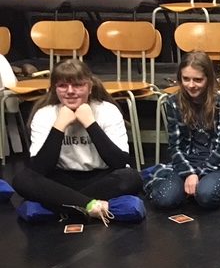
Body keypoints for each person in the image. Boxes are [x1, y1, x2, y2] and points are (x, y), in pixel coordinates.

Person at [12, 58, 143, 224]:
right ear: (54, 89)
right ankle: (90, 206)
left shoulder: (107, 111)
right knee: (22, 179)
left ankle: (63, 208)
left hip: (99, 178)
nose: (70, 91)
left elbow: (119, 162)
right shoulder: (44, 114)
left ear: (89, 87)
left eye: (78, 85)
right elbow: (40, 168)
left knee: (131, 177)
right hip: (61, 180)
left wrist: (90, 124)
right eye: (62, 86)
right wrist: (59, 126)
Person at [147, 51, 220, 212]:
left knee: (206, 196)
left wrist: (199, 173)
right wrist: (189, 173)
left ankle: (204, 186)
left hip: (217, 163)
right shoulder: (173, 102)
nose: (191, 85)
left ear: (208, 79)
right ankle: (188, 187)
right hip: (188, 160)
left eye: (198, 80)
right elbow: (175, 146)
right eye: (186, 79)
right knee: (164, 199)